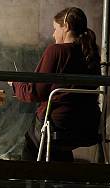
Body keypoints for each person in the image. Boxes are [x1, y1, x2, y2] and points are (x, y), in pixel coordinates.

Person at [12, 7, 101, 161]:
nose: (53, 34)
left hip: (59, 126)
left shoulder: (56, 51)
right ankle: (63, 179)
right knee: (57, 143)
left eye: (55, 29)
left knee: (32, 138)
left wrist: (15, 84)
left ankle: (30, 183)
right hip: (89, 126)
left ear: (65, 26)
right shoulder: (90, 53)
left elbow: (34, 92)